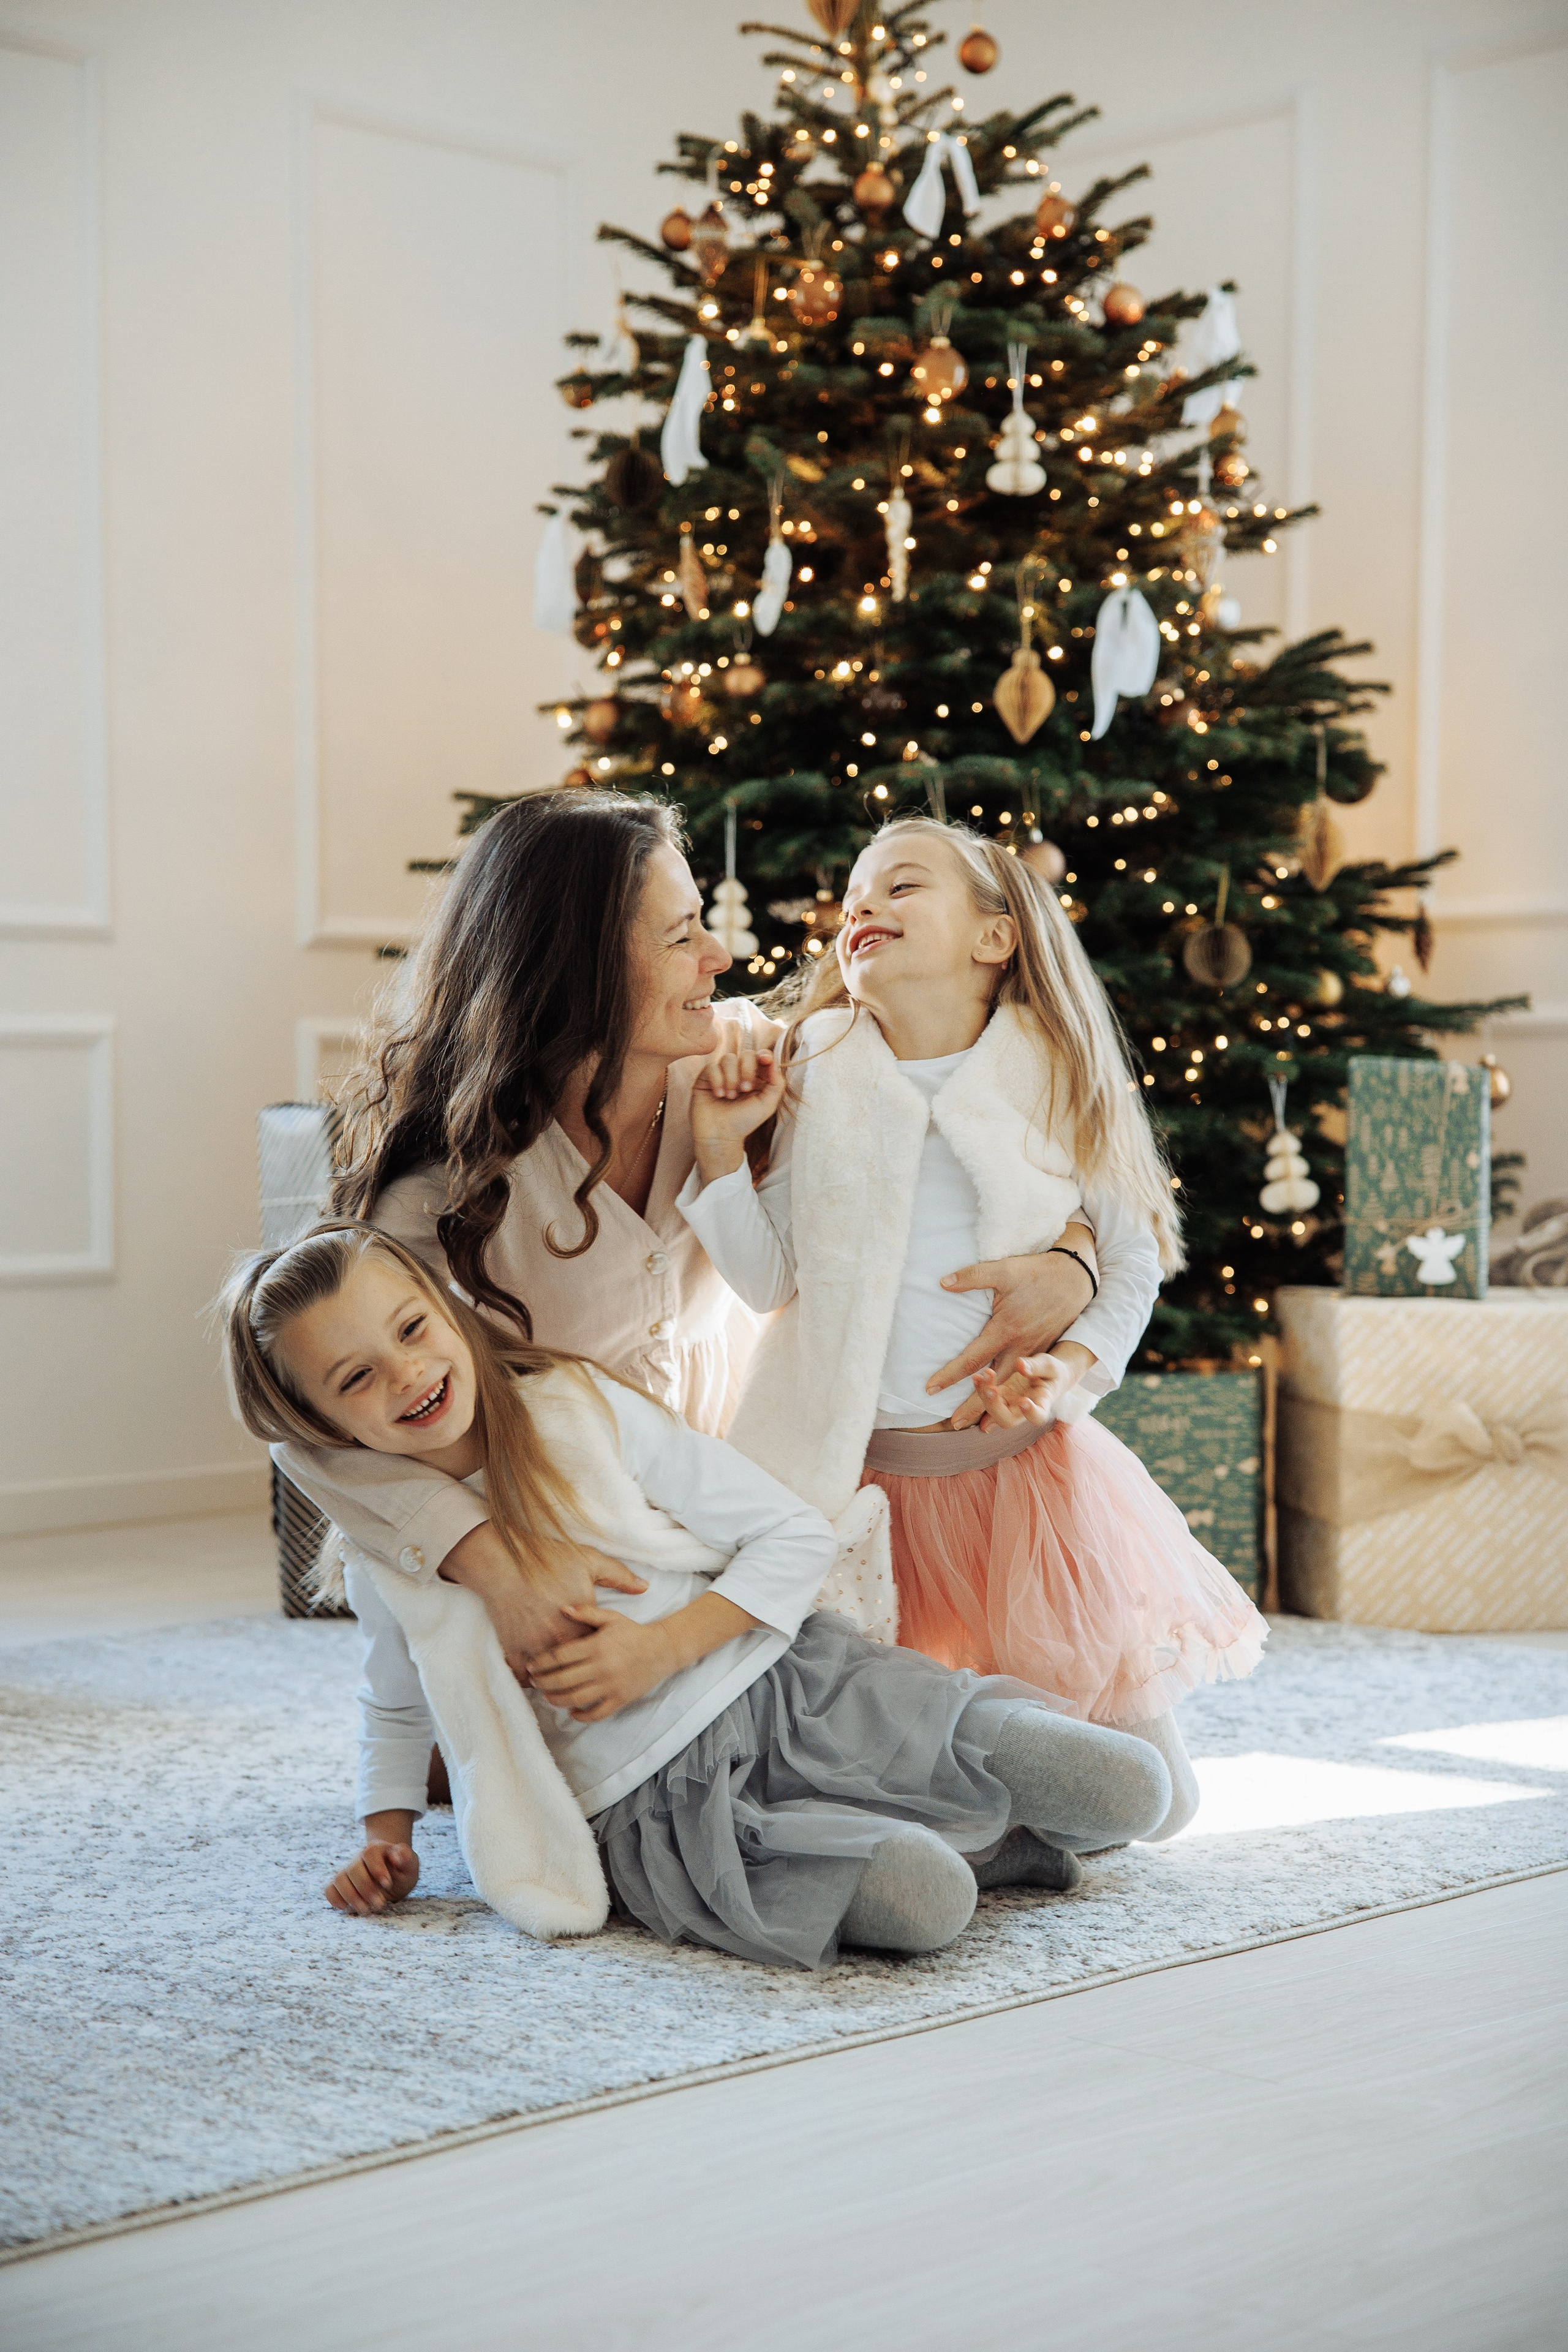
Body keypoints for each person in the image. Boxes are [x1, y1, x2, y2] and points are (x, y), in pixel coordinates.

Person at [281, 789, 1108, 1686]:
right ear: (569, 970)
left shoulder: (769, 1062)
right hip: (561, 1551)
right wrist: (497, 1569)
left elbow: (968, 1149)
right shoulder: (443, 1187)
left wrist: (1073, 1265)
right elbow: (306, 1428)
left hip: (740, 1528)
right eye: (681, 937)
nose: (720, 956)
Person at [221, 1223, 1174, 1970]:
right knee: (928, 1903)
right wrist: (385, 1836)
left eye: (412, 1328)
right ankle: (978, 1843)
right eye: (355, 1378)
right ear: (318, 1425)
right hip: (656, 1805)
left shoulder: (578, 1408)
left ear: (441, 1303)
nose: (407, 1374)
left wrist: (664, 1645)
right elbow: (393, 1702)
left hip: (792, 1688)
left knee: (1133, 1789)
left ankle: (947, 1806)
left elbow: (791, 1535)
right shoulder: (390, 1556)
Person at [680, 816, 1268, 1841]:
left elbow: (1133, 1259)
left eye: (902, 887)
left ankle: (972, 1804)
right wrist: (722, 1154)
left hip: (1024, 1486)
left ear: (995, 939)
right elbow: (767, 1279)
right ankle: (942, 1806)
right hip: (862, 1489)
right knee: (984, 1770)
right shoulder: (815, 1071)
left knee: (1163, 1810)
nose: (863, 908)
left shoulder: (1060, 1071)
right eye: (854, 897)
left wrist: (1072, 1367)